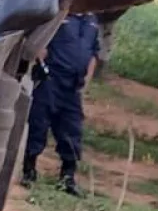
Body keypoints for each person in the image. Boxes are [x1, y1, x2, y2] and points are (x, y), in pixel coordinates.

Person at [21, 11, 102, 195]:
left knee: (72, 130)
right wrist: (42, 66)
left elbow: (93, 53)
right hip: (52, 80)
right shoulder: (59, 14)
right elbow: (38, 42)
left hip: (74, 86)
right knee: (38, 124)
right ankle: (29, 171)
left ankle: (68, 179)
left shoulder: (92, 20)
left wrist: (86, 81)